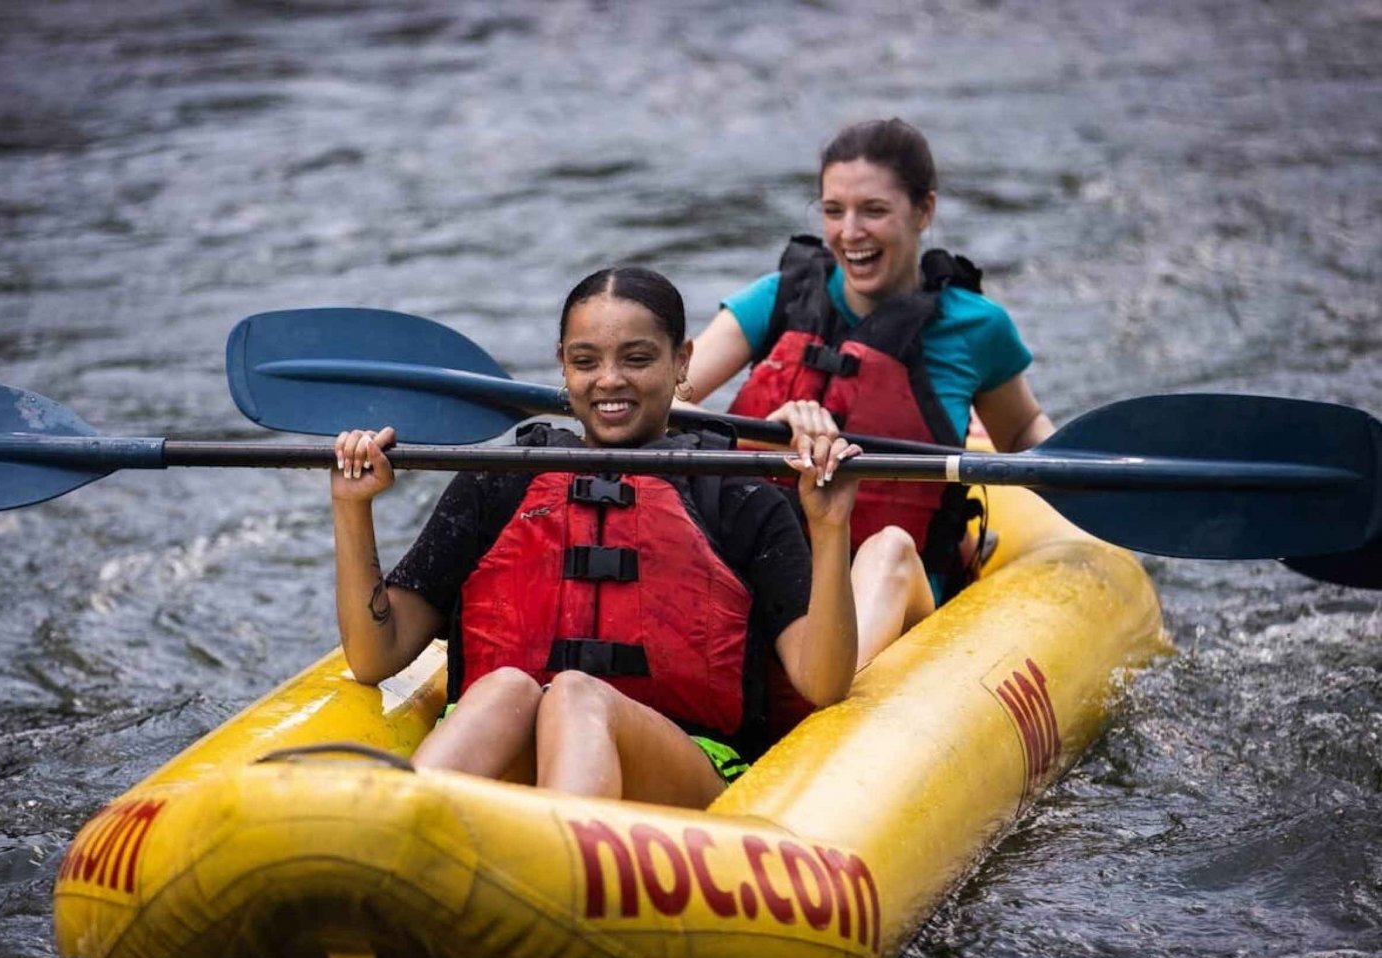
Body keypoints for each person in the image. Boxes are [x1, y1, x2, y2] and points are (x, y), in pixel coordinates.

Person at [329, 267, 890, 810]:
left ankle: (560, 861)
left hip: (684, 766)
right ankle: (400, 819)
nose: (609, 381)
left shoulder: (738, 496)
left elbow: (822, 683)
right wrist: (352, 506)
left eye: (637, 359)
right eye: (585, 361)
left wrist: (830, 525)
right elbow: (377, 656)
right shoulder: (498, 482)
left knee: (576, 693)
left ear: (682, 362)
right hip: (513, 749)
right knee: (505, 687)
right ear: (563, 368)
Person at [683, 117, 1054, 607]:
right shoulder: (777, 299)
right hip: (767, 571)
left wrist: (1089, 476)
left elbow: (1022, 431)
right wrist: (761, 431)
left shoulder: (977, 327)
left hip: (894, 586)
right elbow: (665, 405)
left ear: (924, 211)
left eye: (873, 210)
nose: (850, 232)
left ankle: (840, 680)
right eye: (834, 211)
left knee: (889, 551)